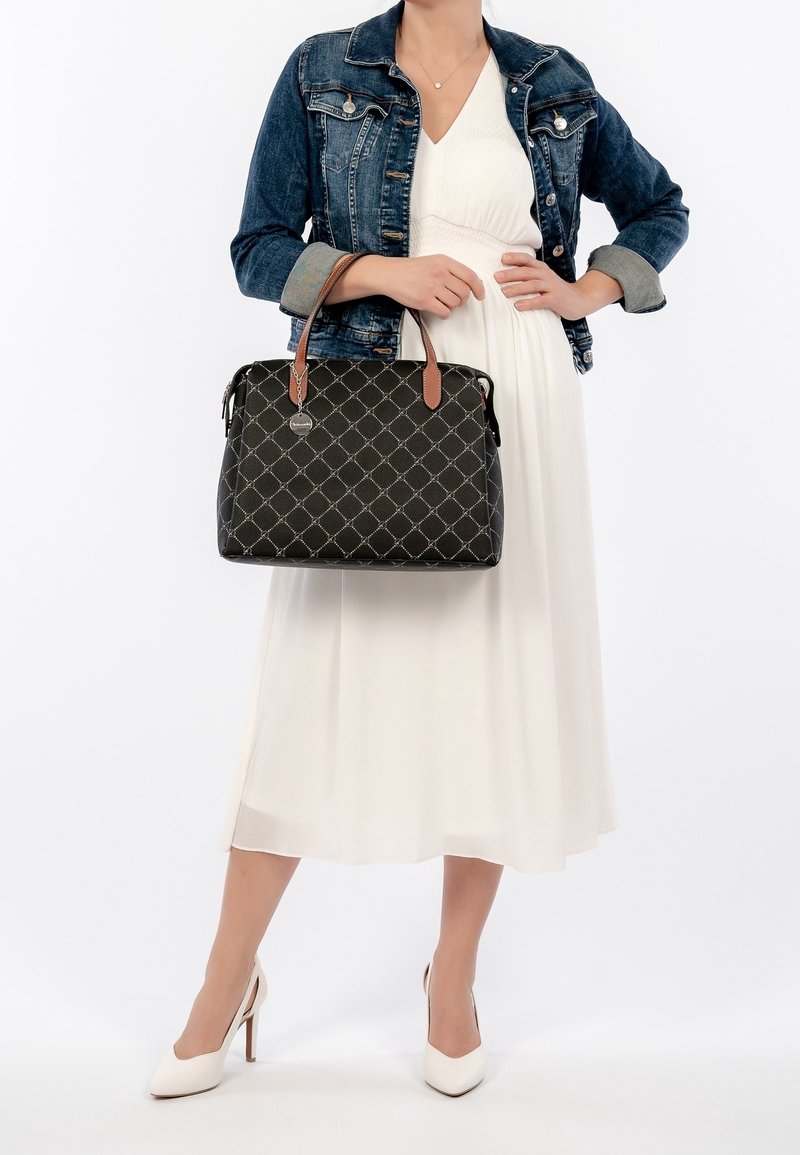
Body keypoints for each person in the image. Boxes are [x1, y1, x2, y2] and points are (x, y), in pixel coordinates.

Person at [148, 0, 689, 1100]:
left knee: (489, 691)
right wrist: (377, 275)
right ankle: (224, 978)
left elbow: (657, 207)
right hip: (372, 405)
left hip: (515, 401)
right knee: (311, 699)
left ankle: (452, 979)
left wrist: (587, 287)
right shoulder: (320, 68)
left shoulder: (549, 77)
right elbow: (258, 249)